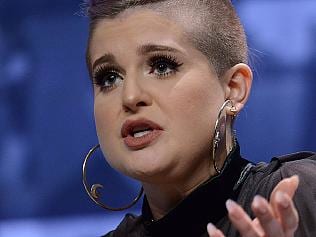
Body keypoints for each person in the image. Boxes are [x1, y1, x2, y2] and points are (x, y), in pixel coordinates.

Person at [82, 0, 316, 236]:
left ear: (234, 88)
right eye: (109, 78)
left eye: (162, 66)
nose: (130, 96)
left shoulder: (296, 192)